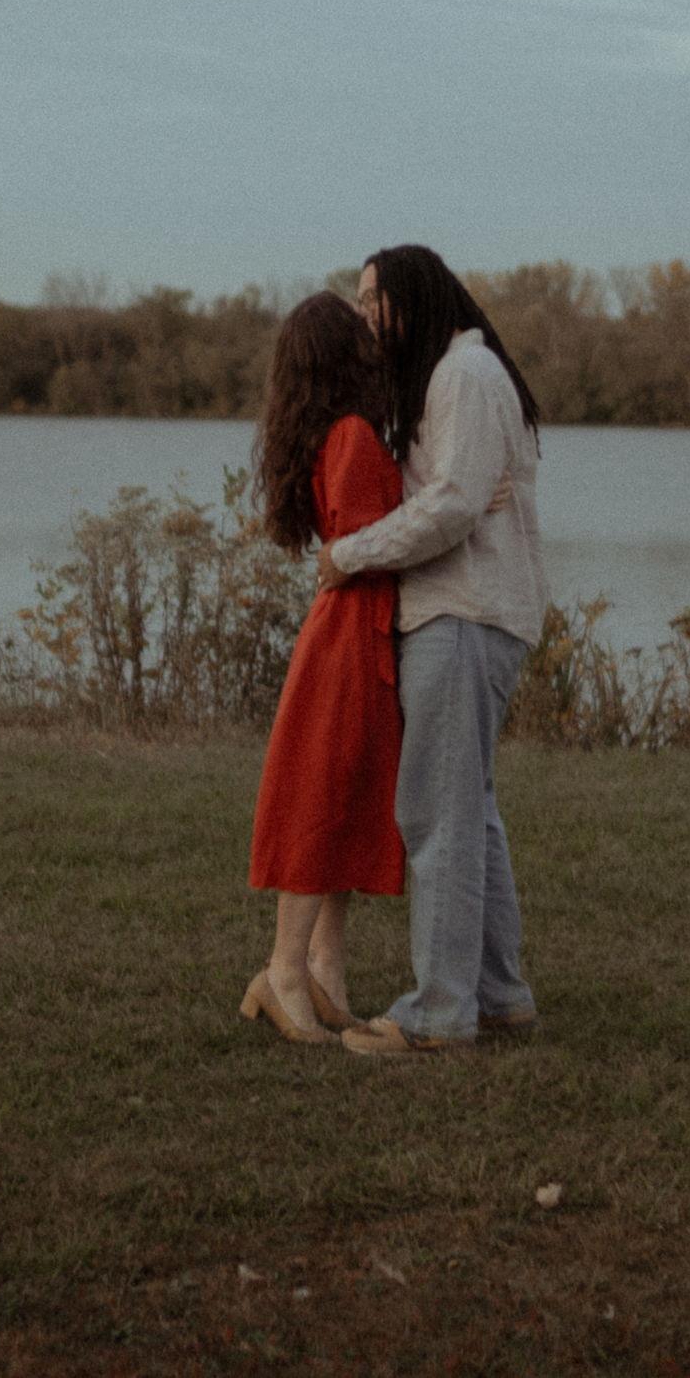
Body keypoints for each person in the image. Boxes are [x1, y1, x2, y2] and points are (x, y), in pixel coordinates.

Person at [316, 244, 548, 1055]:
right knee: (468, 808)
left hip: (463, 612)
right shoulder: (450, 378)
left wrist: (347, 554)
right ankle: (496, 991)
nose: (363, 311)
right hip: (469, 611)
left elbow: (450, 506)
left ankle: (440, 1011)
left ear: (411, 298)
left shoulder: (463, 376)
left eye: (372, 296)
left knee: (436, 812)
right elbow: (453, 493)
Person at [242, 292, 408, 1045]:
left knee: (349, 796)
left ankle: (324, 970)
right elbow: (379, 541)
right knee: (321, 793)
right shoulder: (349, 436)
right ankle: (283, 969)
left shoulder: (338, 432)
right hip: (348, 636)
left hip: (352, 631)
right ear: (346, 352)